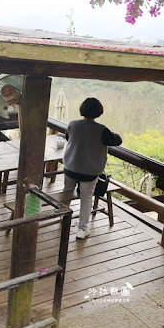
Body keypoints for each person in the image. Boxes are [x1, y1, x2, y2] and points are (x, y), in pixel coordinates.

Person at [62, 98, 122, 239]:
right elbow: (117, 140)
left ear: (82, 109)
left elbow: (68, 137)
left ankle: (62, 217)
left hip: (71, 166)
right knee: (86, 198)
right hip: (90, 171)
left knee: (67, 192)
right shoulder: (101, 130)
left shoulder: (73, 125)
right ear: (99, 112)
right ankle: (82, 229)